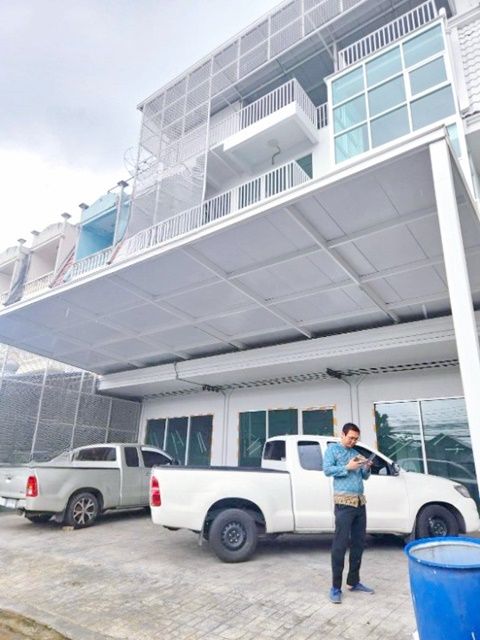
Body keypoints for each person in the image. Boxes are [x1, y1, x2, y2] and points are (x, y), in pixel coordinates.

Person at [324, 422, 374, 604]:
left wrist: (367, 466)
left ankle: (353, 581)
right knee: (340, 545)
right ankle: (335, 588)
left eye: (356, 439)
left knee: (359, 544)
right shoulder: (333, 450)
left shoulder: (356, 454)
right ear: (342, 435)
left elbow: (364, 476)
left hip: (360, 503)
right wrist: (347, 467)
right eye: (351, 438)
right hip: (344, 504)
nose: (353, 441)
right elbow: (327, 470)